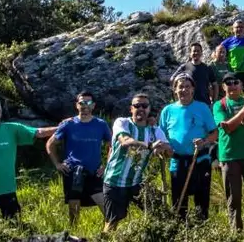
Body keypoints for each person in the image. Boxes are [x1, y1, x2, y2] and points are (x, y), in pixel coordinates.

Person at [101, 94, 171, 231]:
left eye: (144, 106)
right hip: (115, 182)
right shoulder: (122, 123)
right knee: (112, 222)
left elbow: (169, 152)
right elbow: (126, 142)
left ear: (149, 109)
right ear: (131, 109)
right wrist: (150, 146)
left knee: (157, 212)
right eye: (137, 106)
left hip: (136, 182)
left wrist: (163, 149)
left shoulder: (154, 130)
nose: (140, 109)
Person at [46, 91, 112, 225]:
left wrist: (106, 166)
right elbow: (50, 144)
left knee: (106, 208)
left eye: (88, 102)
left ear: (93, 106)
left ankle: (109, 235)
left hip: (94, 172)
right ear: (77, 105)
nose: (85, 105)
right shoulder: (68, 124)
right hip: (73, 172)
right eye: (81, 102)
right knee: (74, 212)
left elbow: (113, 145)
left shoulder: (101, 124)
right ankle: (74, 235)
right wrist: (57, 164)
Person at [159, 73, 218, 219]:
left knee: (201, 203)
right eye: (180, 87)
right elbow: (161, 134)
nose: (184, 90)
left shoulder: (202, 108)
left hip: (200, 160)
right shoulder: (167, 111)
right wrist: (164, 148)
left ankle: (202, 232)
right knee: (178, 203)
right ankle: (180, 233)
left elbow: (214, 133)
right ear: (175, 90)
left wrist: (204, 141)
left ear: (193, 89)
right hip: (177, 162)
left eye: (187, 87)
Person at [212, 72, 244, 231]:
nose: (232, 85)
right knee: (234, 198)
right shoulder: (220, 105)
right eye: (228, 83)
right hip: (229, 156)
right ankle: (236, 233)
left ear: (241, 85)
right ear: (223, 87)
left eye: (236, 82)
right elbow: (227, 127)